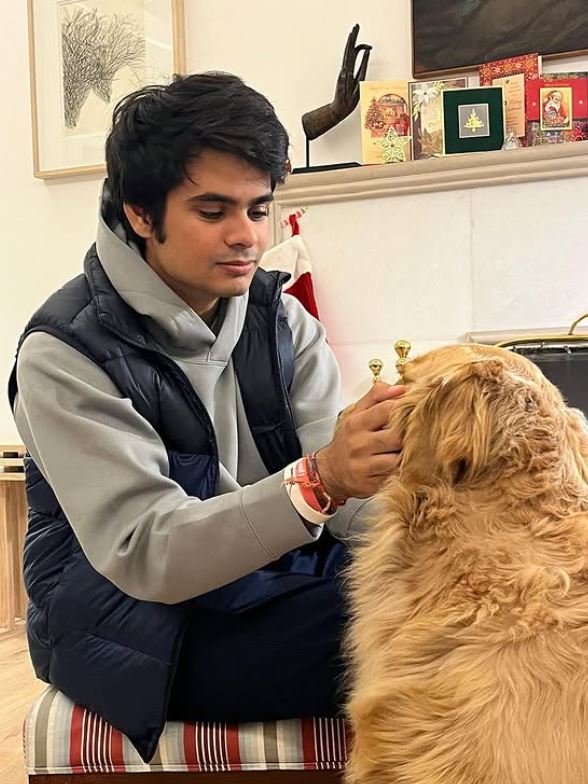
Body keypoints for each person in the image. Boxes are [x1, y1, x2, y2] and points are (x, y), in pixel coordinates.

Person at [8, 72, 403, 762]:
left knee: (477, 591)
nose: (246, 236)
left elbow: (345, 503)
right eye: (213, 210)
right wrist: (321, 481)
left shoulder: (283, 321)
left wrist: (459, 526)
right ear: (139, 212)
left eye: (258, 208)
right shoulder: (65, 352)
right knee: (441, 627)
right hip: (134, 624)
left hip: (273, 577)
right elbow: (148, 552)